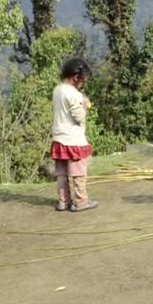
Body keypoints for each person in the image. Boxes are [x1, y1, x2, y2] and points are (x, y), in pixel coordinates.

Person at [50, 58, 98, 212]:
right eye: (83, 81)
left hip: (59, 138)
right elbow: (78, 117)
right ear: (76, 78)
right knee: (78, 173)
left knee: (62, 174)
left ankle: (63, 201)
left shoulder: (57, 90)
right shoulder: (75, 94)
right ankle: (81, 201)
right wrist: (84, 106)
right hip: (74, 140)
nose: (82, 84)